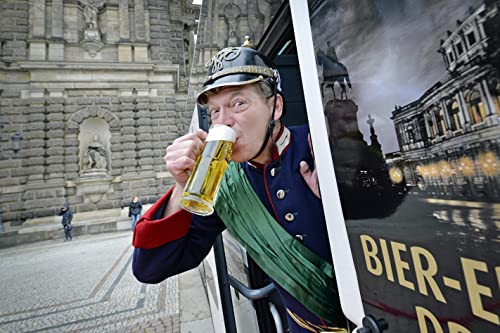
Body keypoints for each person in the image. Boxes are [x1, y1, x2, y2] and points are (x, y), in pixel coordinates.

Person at [132, 44, 348, 332]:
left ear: (276, 107)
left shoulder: (322, 145)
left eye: (238, 104)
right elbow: (150, 268)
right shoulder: (224, 185)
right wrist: (182, 185)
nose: (224, 121)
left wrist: (347, 204)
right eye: (214, 111)